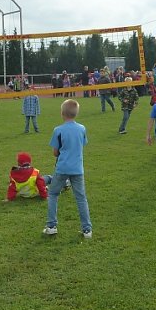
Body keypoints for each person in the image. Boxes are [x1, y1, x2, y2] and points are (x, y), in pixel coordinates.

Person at [43, 99, 92, 238]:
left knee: (53, 195)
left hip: (62, 167)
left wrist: (60, 152)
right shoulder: (82, 128)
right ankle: (87, 229)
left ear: (62, 113)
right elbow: (82, 144)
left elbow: (55, 152)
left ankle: (51, 226)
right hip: (77, 168)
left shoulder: (58, 130)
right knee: (81, 198)